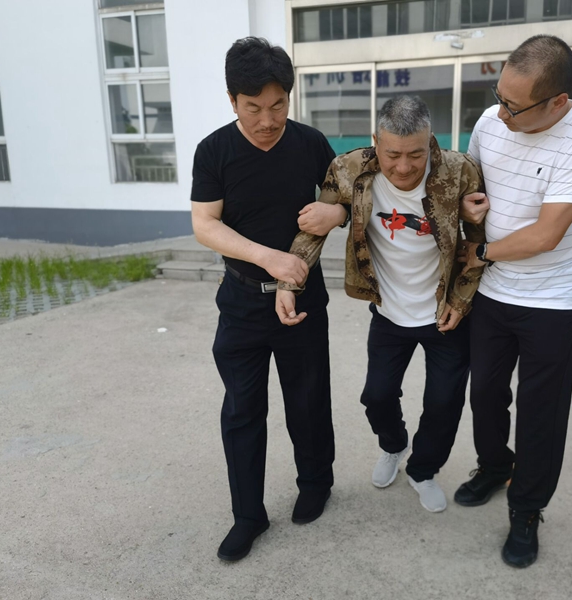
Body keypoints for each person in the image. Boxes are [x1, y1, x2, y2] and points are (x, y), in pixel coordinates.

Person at [276, 95, 487, 513]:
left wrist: (462, 301)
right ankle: (394, 445)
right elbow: (316, 226)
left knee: (444, 403)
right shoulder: (348, 168)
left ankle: (423, 470)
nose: (404, 167)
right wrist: (288, 282)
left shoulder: (459, 170)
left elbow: (478, 245)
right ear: (376, 141)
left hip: (444, 312)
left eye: (416, 154)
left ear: (431, 141)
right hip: (388, 312)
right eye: (392, 155)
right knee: (377, 396)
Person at [454, 34, 572, 568]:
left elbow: (546, 235)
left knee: (542, 410)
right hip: (493, 290)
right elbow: (470, 190)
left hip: (551, 296)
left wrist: (479, 252)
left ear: (558, 101)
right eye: (498, 96)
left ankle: (526, 508)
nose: (500, 114)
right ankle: (496, 466)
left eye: (514, 107)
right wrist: (469, 209)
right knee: (485, 394)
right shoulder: (490, 121)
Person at [190, 37, 336, 562]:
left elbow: (344, 195)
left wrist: (336, 213)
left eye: (278, 105)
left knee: (308, 400)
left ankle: (316, 483)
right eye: (253, 108)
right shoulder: (214, 151)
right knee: (242, 410)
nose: (268, 120)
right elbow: (205, 223)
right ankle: (248, 515)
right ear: (233, 100)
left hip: (305, 298)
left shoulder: (311, 143)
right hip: (243, 301)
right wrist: (268, 258)